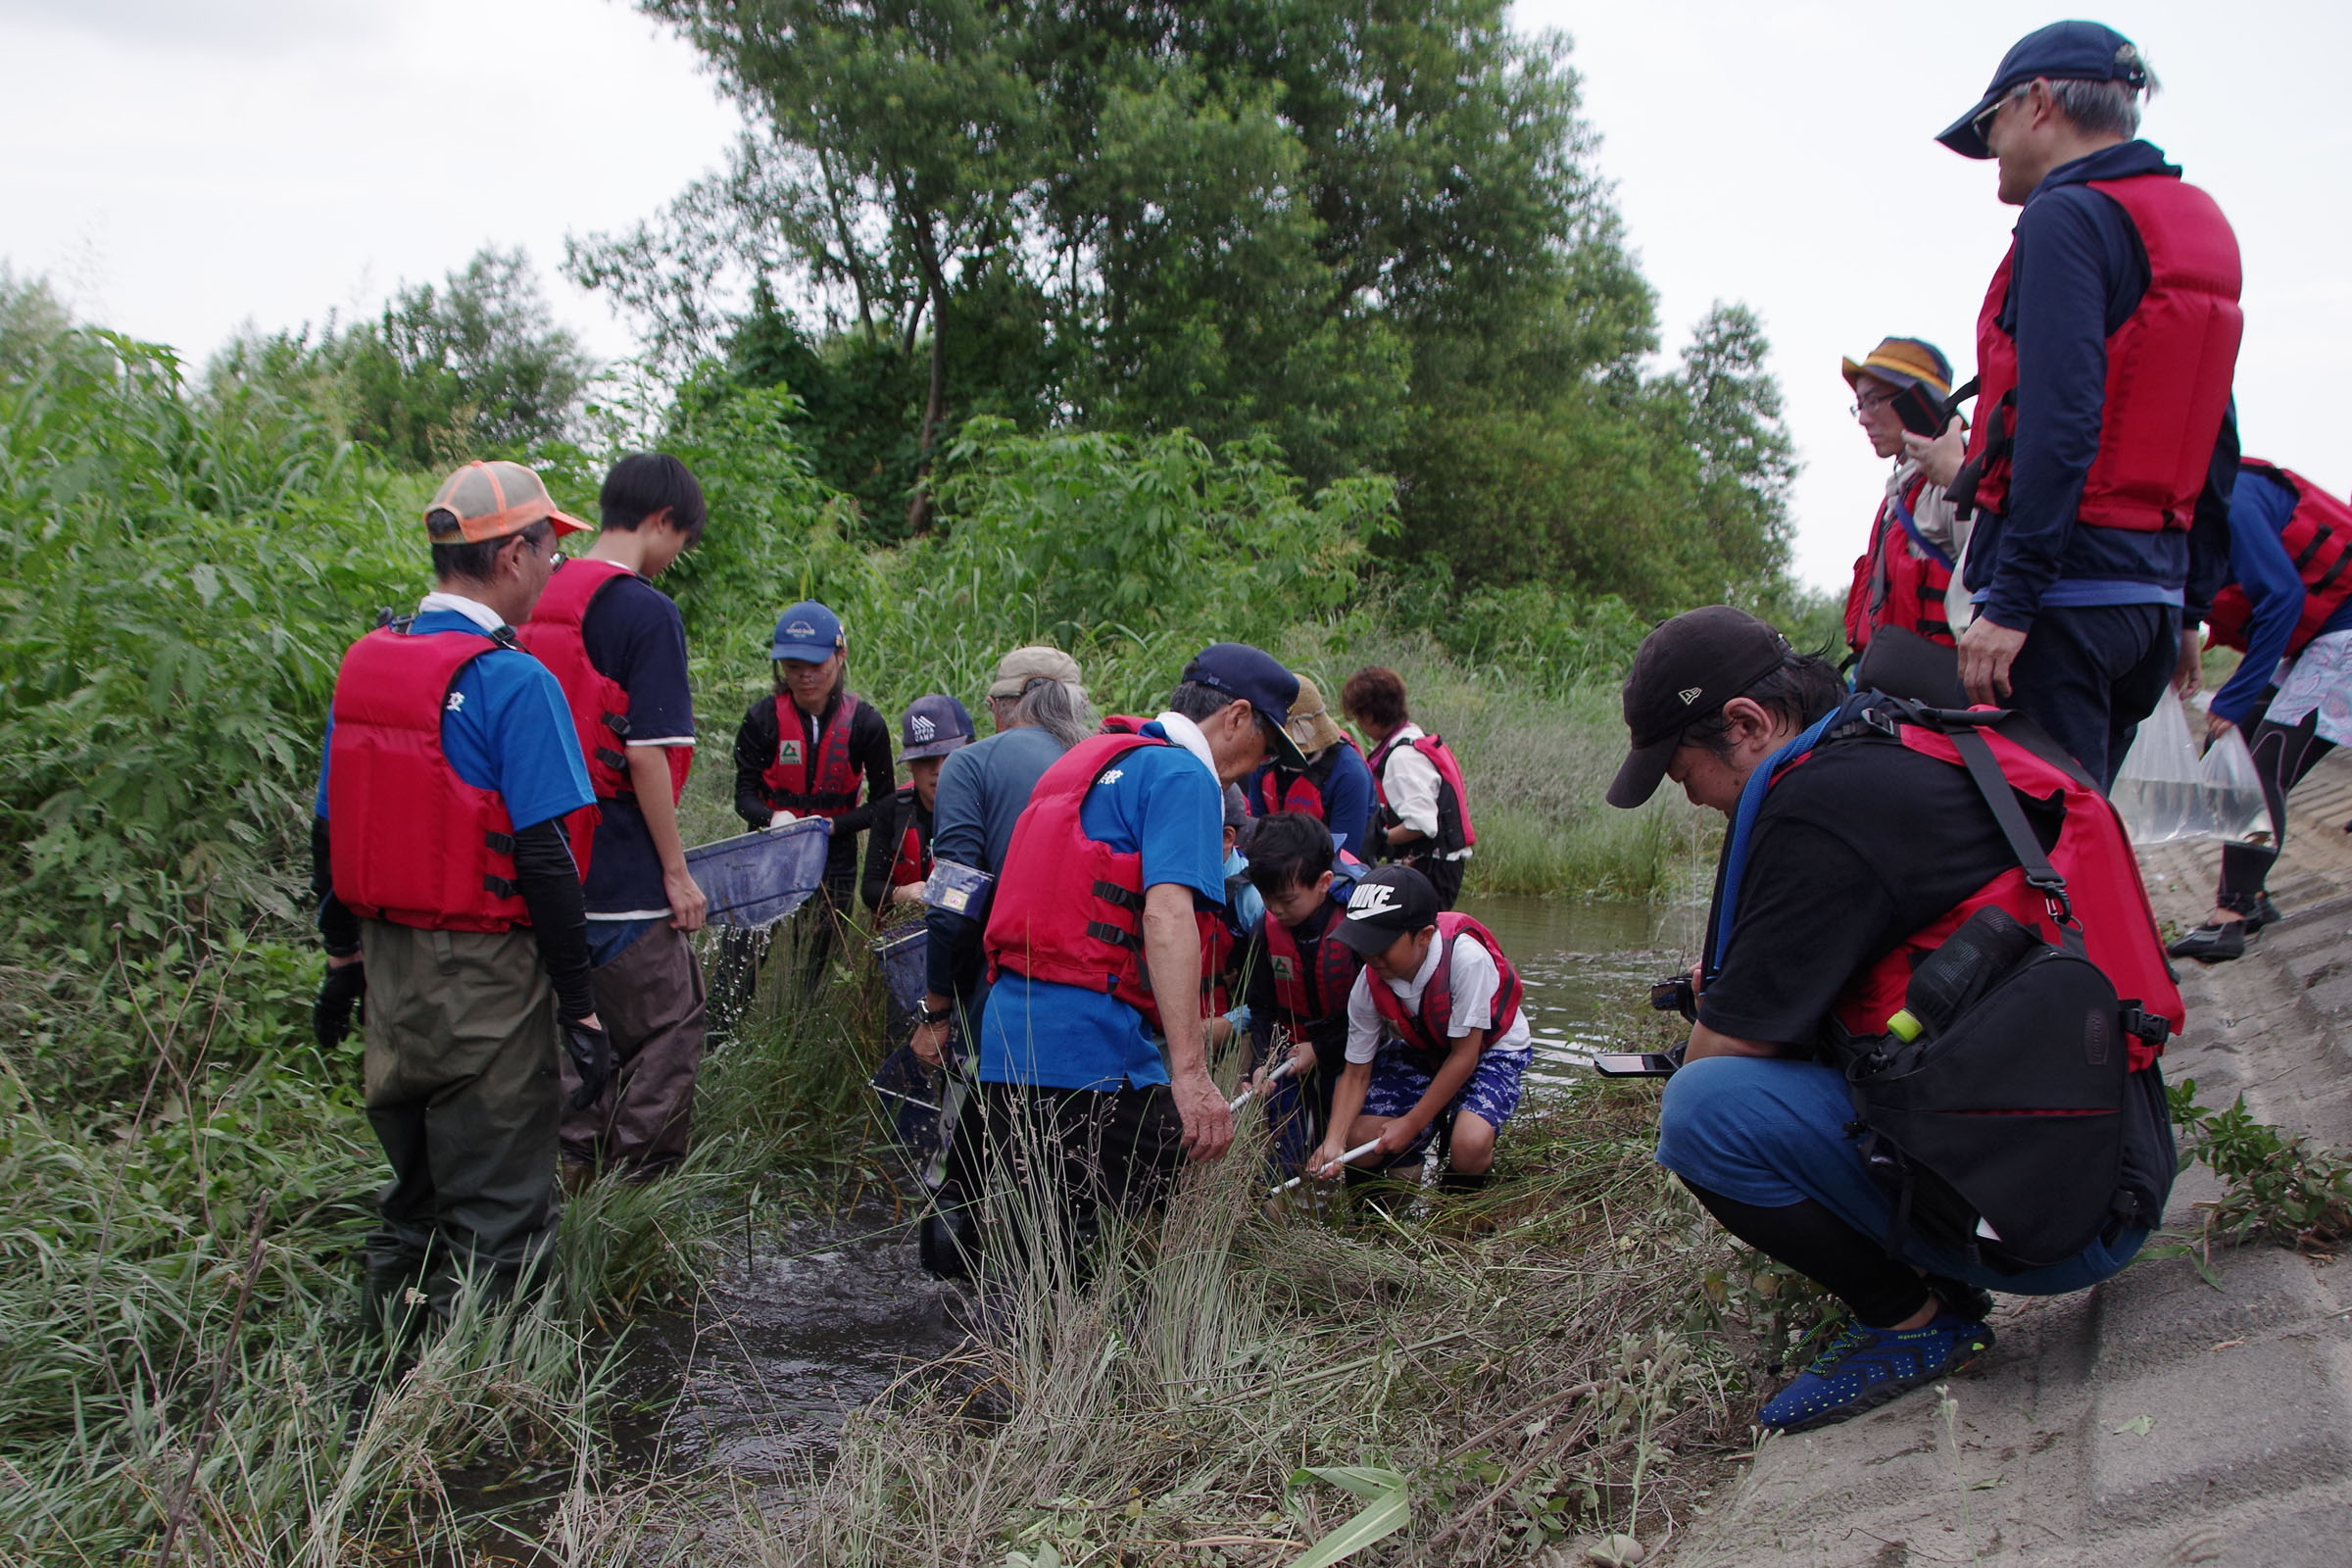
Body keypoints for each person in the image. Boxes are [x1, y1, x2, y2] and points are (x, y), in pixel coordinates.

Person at [1604, 606, 2182, 1432]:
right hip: (2104, 1162)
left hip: (2062, 1222)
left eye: (1682, 770)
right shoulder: (1890, 742)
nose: (1690, 797)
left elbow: (1724, 1053)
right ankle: (1940, 1282)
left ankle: (1915, 1324)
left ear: (1748, 723)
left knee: (1703, 1116)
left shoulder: (1819, 805)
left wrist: (1701, 1039)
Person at [308, 460, 607, 1333]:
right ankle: (477, 1434)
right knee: (500, 1225)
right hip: (487, 984)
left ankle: (377, 1383)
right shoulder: (516, 682)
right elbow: (546, 859)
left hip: (392, 982)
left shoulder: (368, 665)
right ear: (512, 554)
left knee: (415, 1203)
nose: (554, 568)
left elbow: (331, 834)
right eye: (549, 548)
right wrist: (581, 1009)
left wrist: (342, 960)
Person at [1928, 20, 2241, 786]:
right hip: (2148, 607)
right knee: (2078, 837)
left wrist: (2013, 604)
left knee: (2034, 853)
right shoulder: (2195, 223)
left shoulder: (2068, 217)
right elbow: (2217, 432)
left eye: (1989, 122)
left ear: (2038, 103)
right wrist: (2190, 606)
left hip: (2062, 604)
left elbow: (2059, 418)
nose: (1990, 148)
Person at [953, 643, 1309, 1263]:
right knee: (1201, 1170)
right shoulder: (1184, 776)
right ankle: (1174, 1341)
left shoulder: (1087, 757)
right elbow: (1168, 915)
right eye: (1268, 745)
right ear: (1236, 717)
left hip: (1007, 1041)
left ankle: (1027, 1352)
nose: (1260, 766)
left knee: (1027, 1251)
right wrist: (1193, 1074)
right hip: (1091, 1046)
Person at [515, 452, 710, 1183]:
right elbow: (647, 755)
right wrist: (676, 872)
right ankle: (634, 1194)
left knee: (575, 1034)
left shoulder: (535, 592)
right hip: (623, 876)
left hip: (539, 867)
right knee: (667, 1028)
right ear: (662, 522)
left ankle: (568, 1178)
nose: (673, 559)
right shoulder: (645, 612)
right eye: (679, 542)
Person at [2168, 461, 2352, 961]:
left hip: (2343, 632)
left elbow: (2284, 596)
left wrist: (2235, 697)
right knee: (2234, 751)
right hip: (2317, 637)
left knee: (2260, 765)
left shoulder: (2235, 494)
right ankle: (2251, 899)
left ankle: (2231, 915)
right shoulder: (2180, 512)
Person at [908, 647, 1095, 1070]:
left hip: (1006, 993)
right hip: (1107, 995)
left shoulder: (971, 763)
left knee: (990, 1130)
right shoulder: (1109, 759)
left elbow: (953, 902)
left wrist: (935, 1012)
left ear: (998, 707)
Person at [1308, 864, 1531, 1197]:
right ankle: (1369, 1231)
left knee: (1469, 1142)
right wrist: (1334, 1141)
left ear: (1424, 936)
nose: (1370, 956)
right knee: (1360, 1139)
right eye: (1363, 945)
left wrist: (1411, 1123)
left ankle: (1453, 1226)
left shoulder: (1466, 961)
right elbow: (1356, 1073)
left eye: (1380, 945)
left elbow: (1464, 1057)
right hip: (1424, 1046)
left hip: (1489, 1049)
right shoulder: (1368, 984)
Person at [725, 600, 895, 997]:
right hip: (769, 851)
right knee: (739, 964)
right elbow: (743, 796)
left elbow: (883, 803)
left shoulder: (866, 724)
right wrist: (774, 819)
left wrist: (833, 826)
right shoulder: (762, 718)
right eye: (793, 667)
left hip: (832, 854)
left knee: (816, 966)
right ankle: (718, 1039)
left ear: (841, 656)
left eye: (816, 666)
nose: (804, 677)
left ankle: (799, 1032)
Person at [1238, 811, 1366, 1177]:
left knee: (1349, 1148)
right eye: (1266, 898)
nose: (1276, 909)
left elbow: (1376, 1017)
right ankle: (1283, 1218)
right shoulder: (1266, 930)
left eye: (1288, 900)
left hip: (1350, 1055)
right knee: (1286, 1152)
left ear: (1324, 882)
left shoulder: (1357, 926)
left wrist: (1322, 1048)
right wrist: (1262, 1062)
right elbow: (1261, 1008)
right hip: (1290, 1055)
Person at [1840, 337, 1967, 657]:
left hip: (1946, 694)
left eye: (1873, 401)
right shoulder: (1901, 491)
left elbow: (1991, 584)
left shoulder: (1955, 480)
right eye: (1860, 403)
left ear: (1917, 400)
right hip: (1901, 691)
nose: (1863, 417)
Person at [1339, 666, 1476, 908]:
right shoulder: (1412, 738)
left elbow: (1422, 824)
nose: (1359, 724)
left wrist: (1377, 840)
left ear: (1369, 715)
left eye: (1359, 717)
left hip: (1431, 869)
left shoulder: (1403, 757)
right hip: (1434, 865)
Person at [861, 695, 976, 914]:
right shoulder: (891, 810)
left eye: (950, 756)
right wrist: (905, 894)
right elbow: (870, 889)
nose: (938, 770)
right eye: (926, 759)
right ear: (911, 764)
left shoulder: (985, 808)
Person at [1244, 674, 1377, 858]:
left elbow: (1345, 856)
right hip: (1277, 864)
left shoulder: (1349, 773)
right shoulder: (1264, 763)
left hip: (1334, 870)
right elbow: (1257, 832)